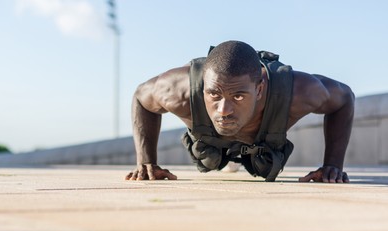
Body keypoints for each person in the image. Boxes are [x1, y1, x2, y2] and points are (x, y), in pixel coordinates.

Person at [125, 40, 355, 183]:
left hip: (263, 144)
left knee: (265, 166)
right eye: (214, 94)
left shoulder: (300, 91)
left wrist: (332, 166)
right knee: (210, 160)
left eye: (237, 96)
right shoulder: (177, 89)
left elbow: (344, 98)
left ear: (259, 88)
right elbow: (141, 98)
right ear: (203, 85)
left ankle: (243, 159)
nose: (223, 110)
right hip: (210, 142)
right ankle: (226, 159)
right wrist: (147, 162)